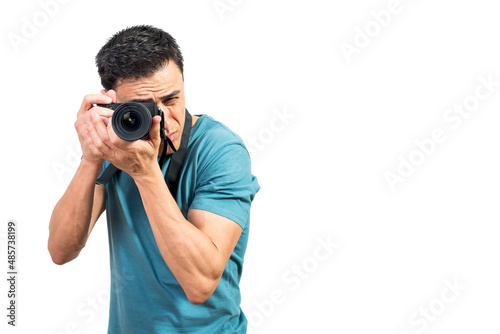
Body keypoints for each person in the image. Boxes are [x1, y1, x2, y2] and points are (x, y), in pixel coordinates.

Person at [48, 25, 260, 334]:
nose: (162, 121)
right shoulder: (116, 144)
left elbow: (200, 285)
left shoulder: (221, 150)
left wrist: (145, 173)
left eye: (172, 99)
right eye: (144, 109)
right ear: (111, 104)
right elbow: (60, 250)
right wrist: (91, 158)